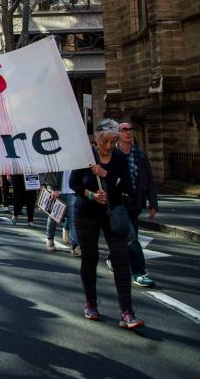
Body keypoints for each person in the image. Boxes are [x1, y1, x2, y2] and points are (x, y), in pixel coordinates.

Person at [70, 119, 144, 330]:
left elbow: (128, 187)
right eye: (105, 141)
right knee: (90, 258)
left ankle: (127, 312)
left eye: (113, 141)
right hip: (86, 214)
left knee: (121, 260)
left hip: (113, 215)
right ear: (97, 139)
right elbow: (73, 184)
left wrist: (106, 175)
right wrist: (92, 195)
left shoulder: (119, 158)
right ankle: (91, 304)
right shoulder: (85, 157)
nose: (109, 146)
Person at [112, 121, 158, 287]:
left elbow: (149, 180)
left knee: (128, 236)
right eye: (124, 130)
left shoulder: (139, 155)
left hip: (135, 202)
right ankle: (139, 272)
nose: (129, 132)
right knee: (131, 237)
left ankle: (113, 258)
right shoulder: (112, 153)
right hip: (117, 203)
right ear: (118, 133)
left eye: (131, 129)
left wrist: (153, 203)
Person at [43, 170, 80, 256]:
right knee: (53, 217)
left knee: (73, 217)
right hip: (56, 190)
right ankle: (50, 239)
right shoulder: (55, 155)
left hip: (73, 190)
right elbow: (49, 169)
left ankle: (75, 246)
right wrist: (54, 187)